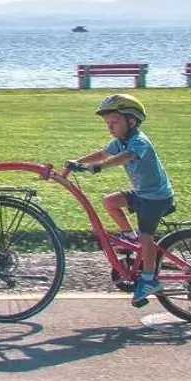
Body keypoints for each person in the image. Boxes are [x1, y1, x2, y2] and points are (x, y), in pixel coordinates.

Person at [67, 93, 174, 307]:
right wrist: (76, 163)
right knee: (110, 202)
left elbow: (126, 157)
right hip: (142, 194)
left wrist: (100, 167)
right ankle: (129, 236)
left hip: (156, 197)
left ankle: (148, 280)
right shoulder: (121, 141)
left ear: (131, 121)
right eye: (107, 123)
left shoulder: (139, 141)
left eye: (114, 122)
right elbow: (102, 153)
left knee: (146, 238)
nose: (110, 127)